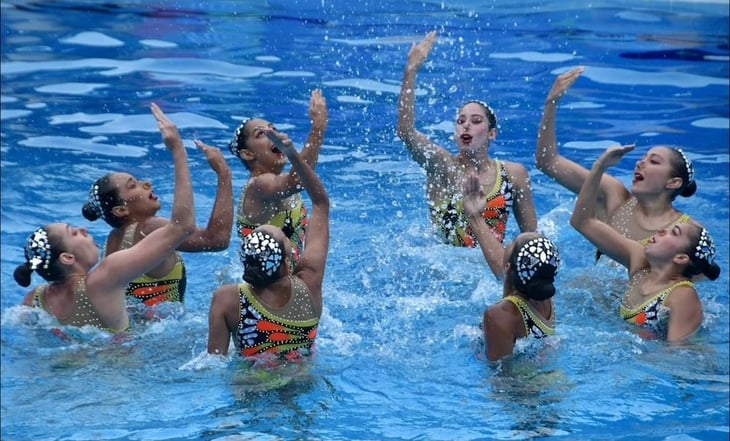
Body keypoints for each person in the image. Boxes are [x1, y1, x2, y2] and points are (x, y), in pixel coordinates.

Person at [15, 103, 197, 332]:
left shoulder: (34, 300)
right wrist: (178, 150)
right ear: (68, 257)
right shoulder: (105, 278)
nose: (84, 230)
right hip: (126, 365)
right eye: (74, 232)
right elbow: (183, 227)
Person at [397, 30, 537, 247]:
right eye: (461, 121)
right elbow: (406, 132)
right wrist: (411, 71)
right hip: (446, 269)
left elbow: (532, 239)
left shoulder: (513, 175)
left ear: (492, 134)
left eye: (475, 121)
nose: (466, 125)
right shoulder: (443, 167)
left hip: (492, 268)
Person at [536, 66, 694, 258]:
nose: (640, 164)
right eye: (642, 159)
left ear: (673, 182)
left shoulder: (685, 232)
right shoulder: (614, 197)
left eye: (653, 161)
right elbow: (548, 162)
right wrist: (551, 103)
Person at [570, 145, 720, 342]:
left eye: (673, 232)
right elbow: (582, 222)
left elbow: (679, 356)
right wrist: (600, 167)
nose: (661, 230)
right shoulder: (639, 263)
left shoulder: (682, 296)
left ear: (681, 257)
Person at [81, 117, 233, 307]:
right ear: (121, 210)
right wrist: (224, 174)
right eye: (133, 185)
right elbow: (217, 240)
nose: (146, 184)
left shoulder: (113, 241)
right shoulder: (149, 229)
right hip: (166, 334)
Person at [207, 127, 329, 362]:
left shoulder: (228, 300)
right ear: (287, 259)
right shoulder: (309, 286)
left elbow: (212, 363)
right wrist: (298, 148)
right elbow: (321, 202)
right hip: (301, 379)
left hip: (249, 383)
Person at [222, 89, 328, 269]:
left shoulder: (277, 181)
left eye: (273, 129)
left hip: (282, 280)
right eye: (260, 134)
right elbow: (298, 181)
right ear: (247, 154)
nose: (272, 133)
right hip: (265, 291)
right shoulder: (258, 185)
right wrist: (318, 127)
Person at [463, 174, 560, 361]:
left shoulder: (500, 315)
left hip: (523, 388)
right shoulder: (545, 292)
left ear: (509, 267)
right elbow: (504, 267)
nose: (504, 246)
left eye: (512, 243)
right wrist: (475, 217)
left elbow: (501, 376)